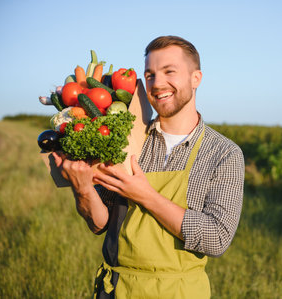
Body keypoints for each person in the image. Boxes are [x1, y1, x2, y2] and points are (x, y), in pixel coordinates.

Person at [53, 35, 245, 298]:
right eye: (150, 74)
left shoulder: (223, 153)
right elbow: (100, 224)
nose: (158, 83)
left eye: (169, 72)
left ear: (196, 78)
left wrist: (145, 195)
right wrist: (83, 188)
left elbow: (216, 238)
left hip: (179, 291)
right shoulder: (129, 139)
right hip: (117, 289)